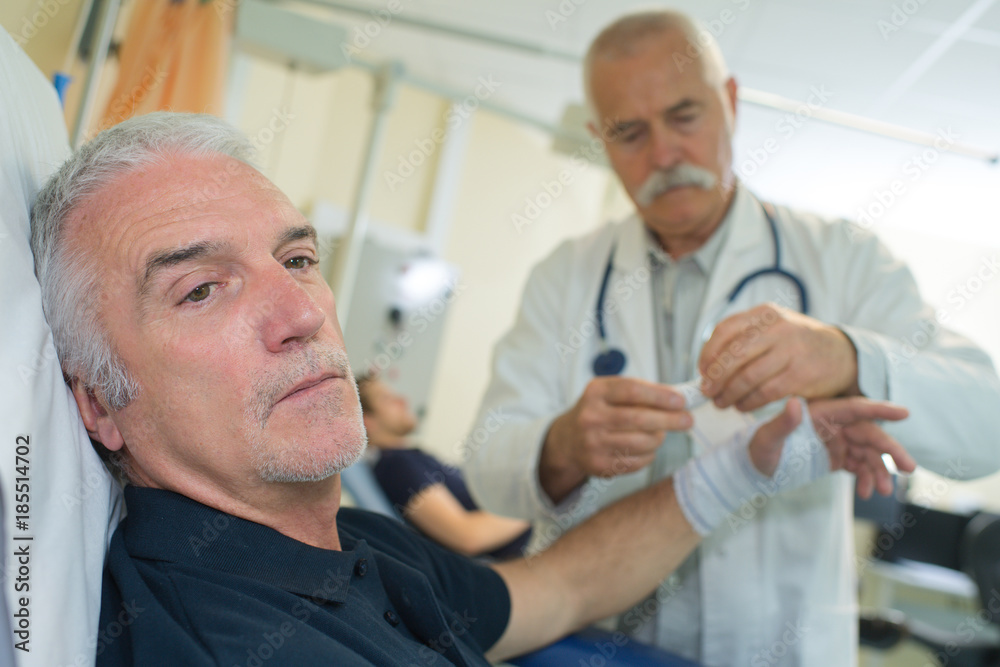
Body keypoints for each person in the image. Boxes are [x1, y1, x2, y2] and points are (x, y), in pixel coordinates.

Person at [28, 112, 914, 666]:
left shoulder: (353, 544)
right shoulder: (224, 640)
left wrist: (742, 468)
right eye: (202, 288)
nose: (301, 309)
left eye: (298, 258)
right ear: (98, 403)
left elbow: (555, 590)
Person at [462, 9, 1000, 666]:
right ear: (600, 137)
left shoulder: (841, 259)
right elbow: (488, 466)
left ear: (732, 103)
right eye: (630, 131)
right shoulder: (565, 277)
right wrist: (562, 445)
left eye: (685, 116)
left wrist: (848, 355)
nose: (664, 154)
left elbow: (987, 422)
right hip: (595, 647)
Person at [357, 374, 531, 559]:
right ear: (368, 421)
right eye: (386, 399)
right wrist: (537, 504)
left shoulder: (409, 457)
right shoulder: (397, 466)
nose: (402, 400)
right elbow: (467, 536)